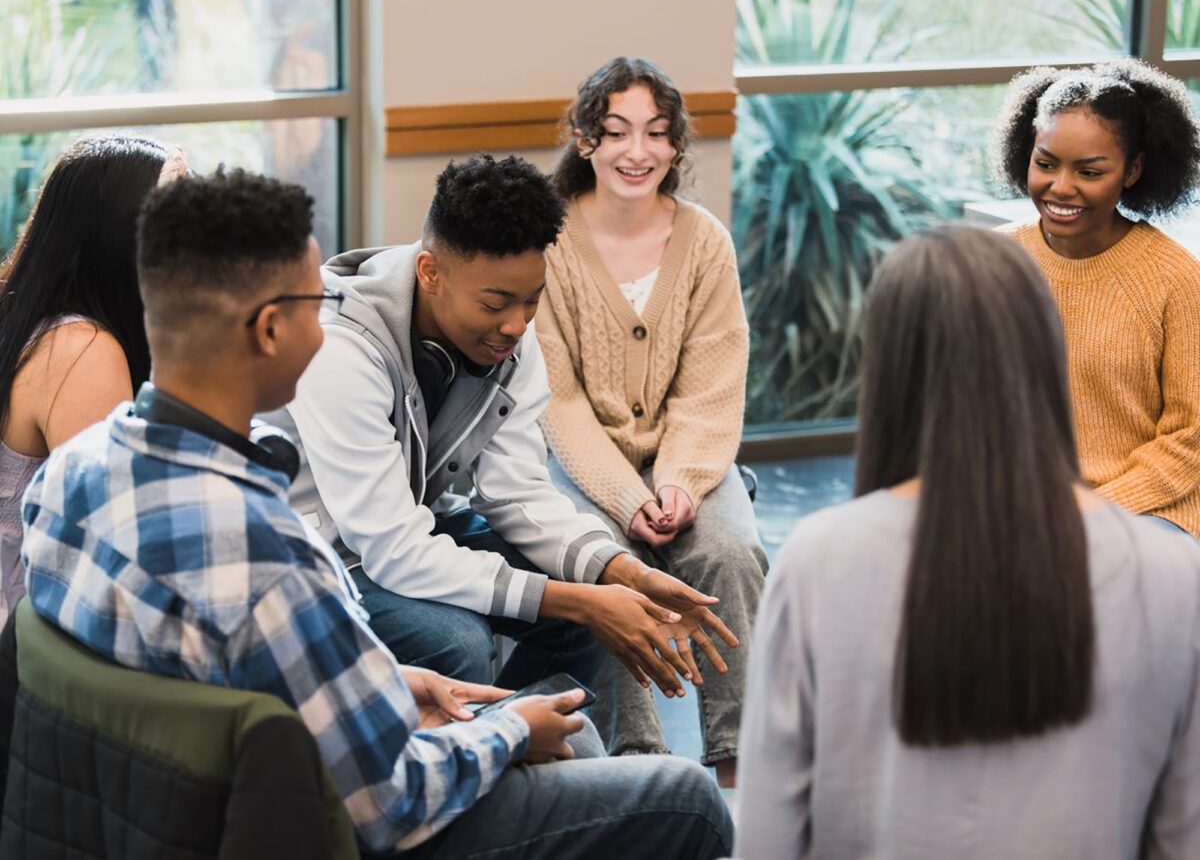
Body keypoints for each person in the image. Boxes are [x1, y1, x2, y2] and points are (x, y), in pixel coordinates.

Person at [20, 169, 734, 858]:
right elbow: (388, 803)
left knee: (559, 730)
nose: (329, 310)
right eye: (314, 300)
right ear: (272, 329)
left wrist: (396, 685)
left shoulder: (64, 479)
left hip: (178, 813)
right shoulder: (281, 564)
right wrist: (507, 732)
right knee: (684, 799)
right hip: (318, 826)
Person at [736, 226, 1200, 859]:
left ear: (890, 371)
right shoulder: (1174, 575)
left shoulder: (817, 562)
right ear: (1045, 357)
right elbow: (1181, 837)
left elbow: (769, 838)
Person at [274, 153, 733, 701]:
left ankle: (521, 749)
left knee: (589, 596)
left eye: (531, 300)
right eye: (494, 303)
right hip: (316, 556)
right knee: (457, 642)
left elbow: (518, 495)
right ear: (430, 273)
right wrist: (583, 600)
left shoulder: (510, 335)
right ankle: (484, 753)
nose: (516, 325)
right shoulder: (340, 347)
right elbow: (393, 549)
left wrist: (622, 573)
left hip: (413, 527)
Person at [538, 56, 765, 786]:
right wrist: (632, 502)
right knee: (603, 566)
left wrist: (682, 487)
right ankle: (639, 770)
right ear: (584, 140)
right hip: (579, 463)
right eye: (617, 132)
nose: (637, 151)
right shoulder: (548, 239)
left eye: (657, 134)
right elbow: (558, 401)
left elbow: (711, 389)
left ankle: (737, 758)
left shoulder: (704, 242)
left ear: (675, 147)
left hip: (688, 460)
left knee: (731, 553)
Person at [992, 59, 1200, 536]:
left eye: (1089, 171)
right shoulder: (995, 259)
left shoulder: (1178, 280)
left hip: (1147, 508)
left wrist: (1089, 511)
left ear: (1133, 170)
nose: (1061, 187)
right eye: (1045, 164)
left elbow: (1191, 441)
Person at [0, 135, 185, 624]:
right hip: (37, 639)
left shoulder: (28, 313)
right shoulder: (81, 348)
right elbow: (117, 541)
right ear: (125, 235)